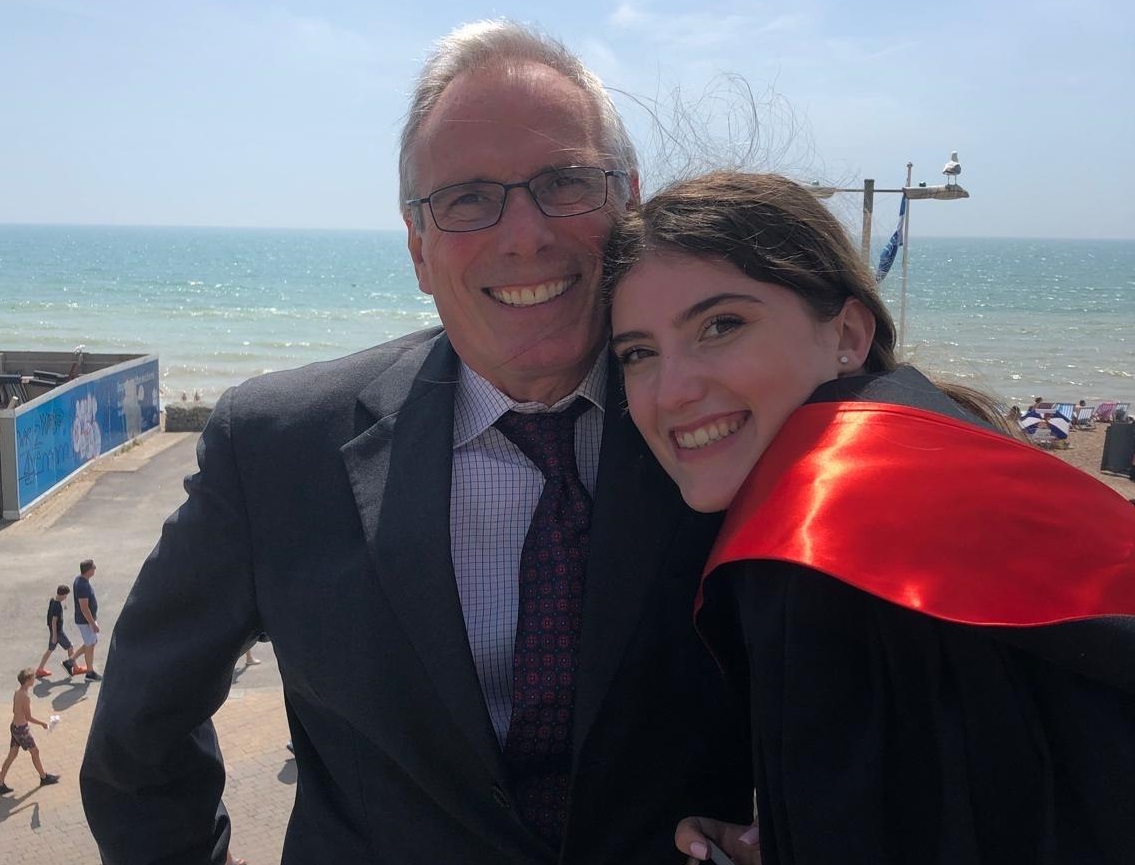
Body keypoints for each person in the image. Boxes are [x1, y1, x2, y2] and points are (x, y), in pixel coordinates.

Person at [80, 21, 751, 864]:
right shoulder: (278, 447)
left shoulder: (731, 424)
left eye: (566, 182)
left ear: (629, 205)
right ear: (417, 248)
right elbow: (141, 735)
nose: (524, 234)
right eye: (468, 198)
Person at [604, 171, 1135, 864]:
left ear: (847, 333)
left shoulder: (817, 535)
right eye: (638, 354)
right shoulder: (949, 445)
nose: (672, 390)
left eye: (720, 325)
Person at [0, 668, 61, 794]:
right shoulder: (25, 696)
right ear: (27, 681)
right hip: (22, 730)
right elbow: (28, 717)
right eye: (33, 678)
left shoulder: (17, 691)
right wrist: (43, 723)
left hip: (14, 727)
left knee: (12, 755)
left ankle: (0, 782)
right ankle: (44, 777)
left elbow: (14, 710)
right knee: (35, 752)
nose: (34, 680)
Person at [36, 584, 80, 679]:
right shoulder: (57, 606)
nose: (66, 597)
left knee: (50, 649)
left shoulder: (53, 601)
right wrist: (55, 636)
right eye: (65, 595)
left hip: (53, 631)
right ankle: (75, 667)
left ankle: (40, 669)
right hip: (58, 632)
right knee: (70, 647)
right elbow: (54, 621)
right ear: (62, 595)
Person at [72, 559, 102, 682]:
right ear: (88, 570)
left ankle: (70, 660)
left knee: (92, 642)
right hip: (85, 621)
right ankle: (90, 673)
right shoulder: (83, 586)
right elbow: (84, 608)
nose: (95, 569)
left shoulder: (80, 580)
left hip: (85, 620)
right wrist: (93, 623)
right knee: (90, 645)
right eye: (93, 568)